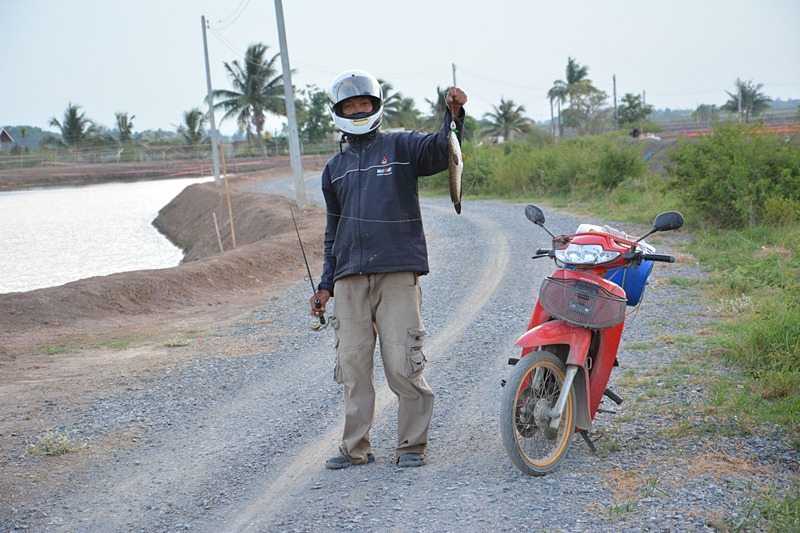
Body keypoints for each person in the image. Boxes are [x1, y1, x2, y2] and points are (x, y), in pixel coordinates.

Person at [309, 69, 467, 469]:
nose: (358, 109)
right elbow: (333, 230)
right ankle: (354, 447)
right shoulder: (334, 168)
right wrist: (325, 284)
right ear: (339, 111)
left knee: (403, 361)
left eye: (364, 103)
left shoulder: (401, 146)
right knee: (353, 367)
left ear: (376, 106)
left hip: (397, 272)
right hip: (347, 280)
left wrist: (453, 115)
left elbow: (439, 150)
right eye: (350, 105)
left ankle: (411, 445)